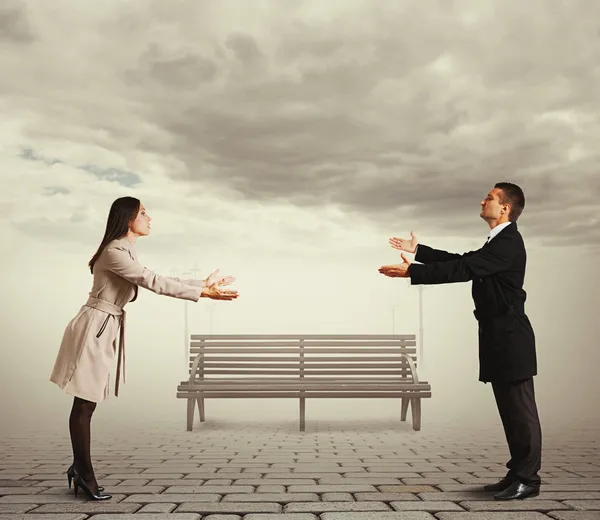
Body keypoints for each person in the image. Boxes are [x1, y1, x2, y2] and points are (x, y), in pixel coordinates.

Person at [49, 196, 238, 501]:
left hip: (101, 326)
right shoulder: (114, 251)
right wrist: (202, 292)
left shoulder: (124, 250)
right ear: (128, 219)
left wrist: (201, 283)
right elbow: (150, 280)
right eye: (144, 213)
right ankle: (84, 474)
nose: (149, 218)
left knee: (86, 403)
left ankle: (78, 466)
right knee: (84, 404)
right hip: (93, 329)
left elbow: (156, 276)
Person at [379, 182, 541, 501]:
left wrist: (413, 272)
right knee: (509, 411)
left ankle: (529, 480)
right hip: (499, 336)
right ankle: (516, 473)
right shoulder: (497, 241)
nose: (483, 201)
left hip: (511, 338)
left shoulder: (508, 242)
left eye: (490, 198)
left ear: (505, 208)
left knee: (521, 411)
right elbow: (464, 259)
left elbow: (464, 268)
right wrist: (420, 251)